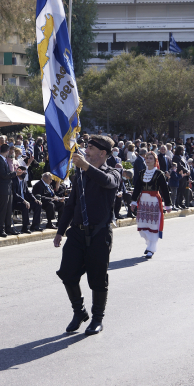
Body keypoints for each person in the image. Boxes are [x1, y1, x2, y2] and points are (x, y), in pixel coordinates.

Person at [54, 135, 120, 335]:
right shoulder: (80, 175)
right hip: (77, 233)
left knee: (98, 278)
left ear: (102, 153)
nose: (86, 151)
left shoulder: (113, 172)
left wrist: (86, 167)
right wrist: (60, 231)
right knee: (67, 273)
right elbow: (71, 204)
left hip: (99, 234)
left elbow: (107, 182)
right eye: (87, 147)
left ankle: (97, 319)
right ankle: (79, 311)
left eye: (90, 148)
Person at [129, 151, 172, 260]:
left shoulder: (159, 174)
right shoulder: (142, 173)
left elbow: (164, 190)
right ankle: (149, 245)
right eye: (147, 158)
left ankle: (151, 248)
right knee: (143, 224)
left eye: (151, 158)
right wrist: (133, 201)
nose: (148, 160)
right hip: (143, 201)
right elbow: (137, 188)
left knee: (153, 225)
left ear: (155, 160)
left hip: (154, 202)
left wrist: (168, 204)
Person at [0, 144, 14, 237]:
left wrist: (14, 173)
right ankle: (1, 229)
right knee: (3, 209)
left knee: (9, 209)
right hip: (3, 188)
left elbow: (7, 173)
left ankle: (8, 228)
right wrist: (15, 174)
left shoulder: (4, 160)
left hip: (8, 188)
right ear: (7, 151)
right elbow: (4, 175)